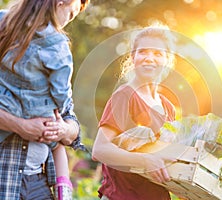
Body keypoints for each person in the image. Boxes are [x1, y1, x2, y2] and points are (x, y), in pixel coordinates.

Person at [0, 0, 89, 199]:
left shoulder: (52, 50)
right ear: (60, 3)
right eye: (72, 14)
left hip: (37, 180)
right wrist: (20, 126)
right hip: (5, 174)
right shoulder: (5, 25)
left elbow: (68, 116)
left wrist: (64, 129)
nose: (67, 23)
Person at [92, 25, 178, 200]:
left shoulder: (168, 107)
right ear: (133, 58)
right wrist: (144, 161)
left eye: (158, 53)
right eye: (143, 52)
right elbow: (99, 150)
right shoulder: (125, 96)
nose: (149, 58)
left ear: (167, 60)